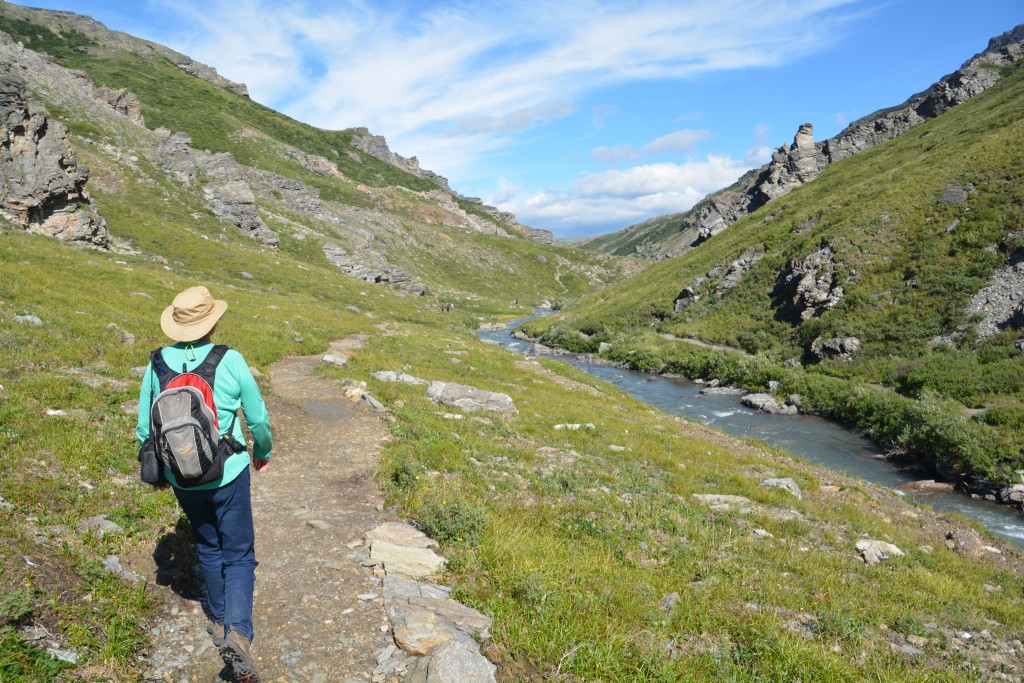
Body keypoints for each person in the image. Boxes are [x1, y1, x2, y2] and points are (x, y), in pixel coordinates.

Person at [136, 286, 272, 683]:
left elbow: (145, 428)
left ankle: (217, 620)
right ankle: (238, 633)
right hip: (228, 471)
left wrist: (163, 473)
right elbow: (258, 419)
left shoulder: (157, 363)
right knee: (240, 554)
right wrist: (262, 451)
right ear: (212, 322)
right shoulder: (229, 359)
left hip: (182, 476)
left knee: (208, 545)